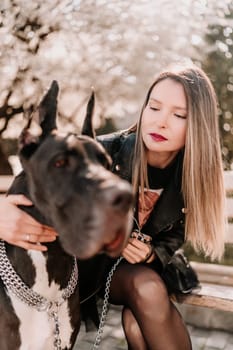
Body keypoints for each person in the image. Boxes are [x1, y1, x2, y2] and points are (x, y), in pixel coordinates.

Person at [0, 63, 226, 350]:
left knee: (141, 310)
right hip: (83, 268)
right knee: (142, 303)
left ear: (198, 126)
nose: (161, 122)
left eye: (179, 115)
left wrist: (151, 253)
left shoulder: (192, 176)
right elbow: (37, 179)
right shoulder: (100, 151)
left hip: (131, 272)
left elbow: (174, 235)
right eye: (154, 108)